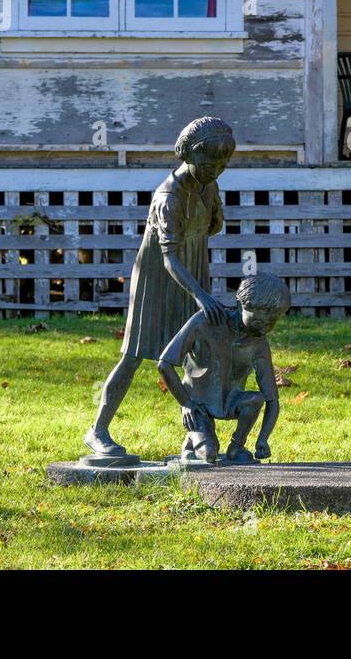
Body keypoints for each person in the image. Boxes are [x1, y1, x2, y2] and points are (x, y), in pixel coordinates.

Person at [83, 117, 233, 459]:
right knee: (134, 356)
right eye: (212, 165)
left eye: (223, 166)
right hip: (159, 278)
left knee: (201, 353)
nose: (217, 173)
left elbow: (211, 227)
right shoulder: (169, 196)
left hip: (192, 269)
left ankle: (195, 435)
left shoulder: (208, 186)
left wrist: (214, 207)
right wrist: (200, 295)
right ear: (191, 157)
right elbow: (168, 258)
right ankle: (98, 429)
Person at [157, 272, 289, 464]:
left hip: (230, 401)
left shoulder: (259, 344)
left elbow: (271, 400)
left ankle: (237, 446)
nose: (264, 329)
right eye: (259, 321)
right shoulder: (205, 322)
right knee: (209, 455)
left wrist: (262, 440)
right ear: (239, 305)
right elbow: (165, 364)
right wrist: (185, 403)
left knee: (255, 400)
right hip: (197, 405)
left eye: (271, 323)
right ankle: (193, 439)